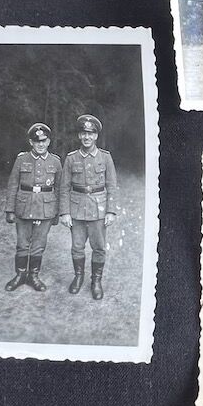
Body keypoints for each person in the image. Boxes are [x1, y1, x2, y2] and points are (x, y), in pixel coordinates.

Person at [59, 115, 119, 299]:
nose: (87, 137)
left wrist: (110, 210)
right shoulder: (71, 158)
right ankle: (78, 277)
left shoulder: (105, 157)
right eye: (83, 133)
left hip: (98, 210)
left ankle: (96, 281)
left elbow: (112, 186)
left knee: (99, 247)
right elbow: (64, 187)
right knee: (77, 247)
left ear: (95, 136)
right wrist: (65, 212)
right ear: (79, 136)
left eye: (90, 134)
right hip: (76, 209)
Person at [4, 123, 62, 292]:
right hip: (24, 206)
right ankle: (20, 275)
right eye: (37, 142)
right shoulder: (21, 159)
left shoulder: (56, 161)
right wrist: (10, 209)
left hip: (46, 208)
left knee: (38, 244)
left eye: (44, 141)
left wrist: (56, 213)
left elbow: (59, 188)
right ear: (31, 142)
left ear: (49, 141)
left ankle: (33, 275)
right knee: (22, 243)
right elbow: (13, 184)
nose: (41, 145)